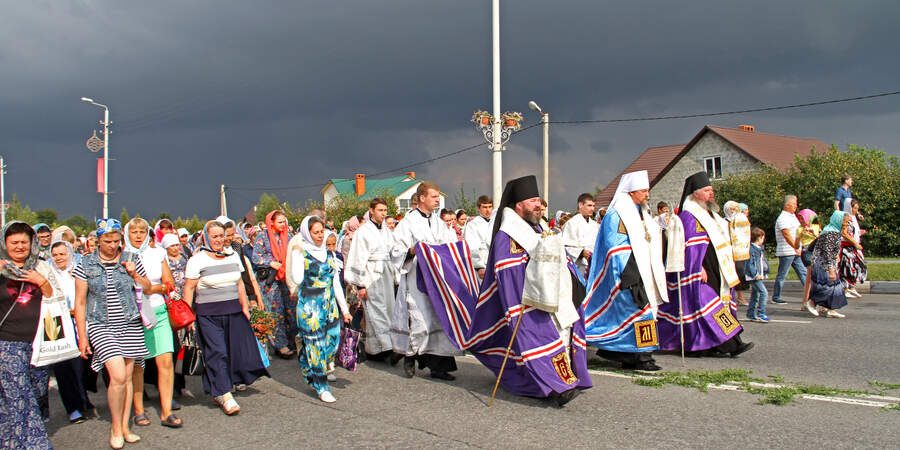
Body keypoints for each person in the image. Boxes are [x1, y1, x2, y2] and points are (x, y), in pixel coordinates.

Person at [413, 175, 591, 406]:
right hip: (525, 300)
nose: (538, 205)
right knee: (538, 340)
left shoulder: (540, 226)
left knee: (560, 336)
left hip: (553, 297)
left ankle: (564, 378)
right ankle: (557, 387)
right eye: (533, 201)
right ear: (519, 205)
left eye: (539, 200)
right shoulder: (508, 235)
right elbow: (510, 273)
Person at [74, 218, 152, 449]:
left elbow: (147, 287)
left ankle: (126, 427)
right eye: (107, 241)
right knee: (117, 376)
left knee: (127, 378)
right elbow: (80, 303)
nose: (112, 245)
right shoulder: (85, 263)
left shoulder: (131, 258)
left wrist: (135, 276)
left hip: (129, 322)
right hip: (100, 324)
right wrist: (82, 336)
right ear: (97, 240)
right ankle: (115, 428)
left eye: (117, 240)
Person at [657, 172, 754, 357]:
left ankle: (711, 345)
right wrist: (698, 267)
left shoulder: (713, 216)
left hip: (718, 270)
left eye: (711, 189)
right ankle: (732, 344)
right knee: (711, 308)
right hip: (700, 271)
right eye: (707, 190)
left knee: (714, 308)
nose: (711, 193)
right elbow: (685, 248)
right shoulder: (688, 216)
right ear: (695, 194)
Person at [584, 171, 668, 371]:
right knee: (641, 313)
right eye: (644, 190)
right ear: (631, 192)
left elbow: (648, 237)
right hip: (628, 272)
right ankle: (642, 357)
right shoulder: (617, 213)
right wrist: (629, 272)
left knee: (637, 314)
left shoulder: (642, 212)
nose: (648, 194)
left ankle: (627, 355)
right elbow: (615, 247)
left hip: (643, 270)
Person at [183, 221, 269, 415]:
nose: (219, 240)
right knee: (217, 351)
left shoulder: (232, 255)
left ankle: (219, 388)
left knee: (233, 351)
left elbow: (239, 283)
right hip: (208, 315)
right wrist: (188, 317)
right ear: (206, 237)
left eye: (221, 236)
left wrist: (245, 307)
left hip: (234, 312)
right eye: (214, 236)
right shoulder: (197, 260)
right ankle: (225, 394)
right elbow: (189, 288)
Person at [390, 181, 462, 380]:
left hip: (437, 281)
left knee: (439, 319)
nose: (437, 200)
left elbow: (449, 246)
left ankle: (438, 367)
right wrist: (412, 250)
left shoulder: (439, 222)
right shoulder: (408, 223)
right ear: (422, 198)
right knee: (419, 320)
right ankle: (409, 357)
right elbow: (396, 251)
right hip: (416, 280)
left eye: (438, 197)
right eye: (434, 196)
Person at [0, 221, 56, 449]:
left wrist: (40, 281)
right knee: (20, 396)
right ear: (4, 244)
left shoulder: (41, 267)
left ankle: (9, 442)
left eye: (24, 241)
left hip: (40, 343)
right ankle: (35, 443)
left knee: (33, 394)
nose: (20, 246)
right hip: (7, 343)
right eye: (14, 242)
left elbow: (55, 297)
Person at [123, 218, 181, 429]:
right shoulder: (122, 256)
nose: (138, 236)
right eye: (133, 232)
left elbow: (169, 284)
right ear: (126, 234)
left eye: (142, 231)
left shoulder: (158, 253)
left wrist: (151, 289)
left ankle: (166, 412)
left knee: (165, 361)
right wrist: (148, 288)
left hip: (159, 312)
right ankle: (138, 411)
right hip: (135, 316)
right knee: (138, 366)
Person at [288, 216, 351, 403]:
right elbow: (298, 279)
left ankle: (305, 356)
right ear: (307, 233)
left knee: (332, 343)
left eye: (321, 231)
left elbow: (336, 284)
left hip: (329, 305)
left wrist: (345, 309)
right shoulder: (302, 252)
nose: (319, 235)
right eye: (315, 232)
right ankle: (322, 386)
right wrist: (297, 255)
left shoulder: (329, 254)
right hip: (310, 307)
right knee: (317, 348)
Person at [344, 198, 398, 361]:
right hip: (371, 276)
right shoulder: (363, 231)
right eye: (380, 210)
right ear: (371, 211)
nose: (383, 213)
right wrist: (360, 285)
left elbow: (393, 253)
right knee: (377, 311)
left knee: (389, 309)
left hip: (386, 275)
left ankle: (375, 350)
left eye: (385, 210)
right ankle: (389, 347)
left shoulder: (387, 231)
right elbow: (358, 258)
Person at [49, 240, 95, 424]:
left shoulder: (78, 271)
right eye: (55, 255)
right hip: (57, 325)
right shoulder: (50, 274)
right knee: (64, 369)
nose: (59, 258)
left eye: (62, 253)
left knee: (83, 366)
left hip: (81, 323)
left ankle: (83, 398)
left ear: (69, 253)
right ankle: (73, 408)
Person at [251, 210, 297, 358]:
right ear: (271, 222)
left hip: (286, 278)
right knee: (276, 313)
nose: (283, 224)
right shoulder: (262, 237)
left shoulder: (288, 236)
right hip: (270, 282)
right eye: (280, 222)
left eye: (284, 221)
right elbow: (256, 258)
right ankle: (280, 345)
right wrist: (271, 262)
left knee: (291, 311)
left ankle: (292, 341)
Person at [809, 211, 849, 318]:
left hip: (826, 263)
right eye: (845, 222)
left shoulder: (833, 231)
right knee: (827, 286)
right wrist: (831, 269)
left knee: (833, 286)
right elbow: (827, 252)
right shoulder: (831, 233)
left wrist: (836, 256)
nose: (847, 224)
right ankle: (812, 302)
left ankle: (829, 309)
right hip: (823, 264)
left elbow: (831, 250)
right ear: (839, 221)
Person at [772, 195, 806, 304]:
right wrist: (795, 247)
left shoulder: (792, 217)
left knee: (803, 272)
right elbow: (786, 234)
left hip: (795, 251)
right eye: (794, 205)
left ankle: (811, 293)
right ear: (787, 205)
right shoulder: (783, 218)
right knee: (782, 274)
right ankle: (776, 297)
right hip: (787, 251)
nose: (796, 207)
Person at [561, 193, 600, 276]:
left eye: (593, 206)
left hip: (593, 265)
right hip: (578, 266)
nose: (592, 209)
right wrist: (582, 252)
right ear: (580, 205)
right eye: (589, 205)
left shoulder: (595, 225)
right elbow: (565, 247)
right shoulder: (571, 223)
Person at [724, 200, 751, 306]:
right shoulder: (723, 221)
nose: (733, 211)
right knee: (735, 273)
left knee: (740, 273)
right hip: (727, 252)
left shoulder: (740, 220)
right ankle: (739, 296)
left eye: (735, 208)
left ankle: (739, 296)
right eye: (731, 209)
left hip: (739, 251)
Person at [839, 198, 867, 299]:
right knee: (847, 267)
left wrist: (859, 232)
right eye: (855, 208)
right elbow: (844, 233)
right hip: (846, 246)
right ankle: (845, 289)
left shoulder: (853, 218)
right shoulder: (846, 218)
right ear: (849, 208)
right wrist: (855, 243)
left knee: (857, 266)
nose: (856, 210)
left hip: (852, 246)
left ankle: (851, 286)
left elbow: (852, 231)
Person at [797, 209, 821, 316]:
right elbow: (796, 245)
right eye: (800, 218)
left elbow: (821, 239)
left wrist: (814, 234)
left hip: (817, 251)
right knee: (812, 275)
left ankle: (807, 302)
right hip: (806, 252)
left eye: (803, 218)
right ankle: (807, 301)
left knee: (811, 279)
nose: (801, 220)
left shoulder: (816, 227)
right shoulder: (799, 229)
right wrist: (801, 236)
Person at [463, 195, 493, 279]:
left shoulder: (495, 222)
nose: (488, 210)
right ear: (478, 208)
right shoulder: (472, 225)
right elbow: (472, 247)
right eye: (484, 207)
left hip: (496, 262)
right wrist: (479, 266)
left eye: (490, 207)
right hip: (482, 265)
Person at [744, 227, 770, 323]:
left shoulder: (759, 249)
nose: (763, 240)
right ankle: (761, 313)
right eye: (763, 238)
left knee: (755, 295)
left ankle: (750, 314)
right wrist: (755, 274)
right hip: (754, 276)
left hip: (758, 275)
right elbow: (749, 263)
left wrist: (765, 272)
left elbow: (762, 262)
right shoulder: (752, 250)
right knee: (764, 292)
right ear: (759, 238)